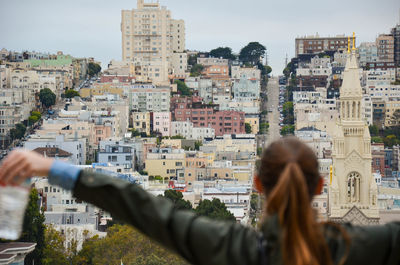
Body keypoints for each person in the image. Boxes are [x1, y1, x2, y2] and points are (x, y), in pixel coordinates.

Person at [0, 137, 400, 265]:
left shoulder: (235, 250)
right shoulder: (355, 248)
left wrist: (50, 167)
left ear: (258, 184)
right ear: (319, 188)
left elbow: (146, 209)